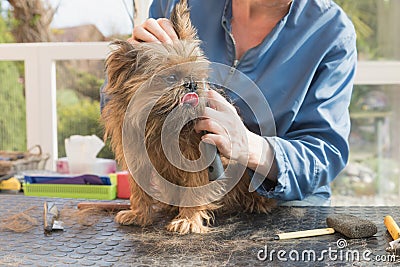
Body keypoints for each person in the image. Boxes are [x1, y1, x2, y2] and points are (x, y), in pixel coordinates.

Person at [101, 0, 357, 206]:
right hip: (179, 202)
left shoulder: (331, 32)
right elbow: (115, 106)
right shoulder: (174, 5)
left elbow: (325, 154)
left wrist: (250, 146)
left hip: (284, 208)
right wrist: (128, 65)